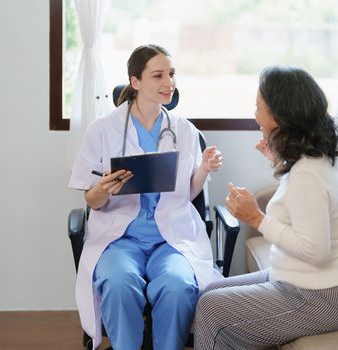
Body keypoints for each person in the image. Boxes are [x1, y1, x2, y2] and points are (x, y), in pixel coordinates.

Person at [194, 66, 338, 350]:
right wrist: (278, 161)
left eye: (259, 107)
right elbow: (301, 204)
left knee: (212, 308)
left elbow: (316, 252)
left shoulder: (307, 173)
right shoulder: (311, 158)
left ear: (281, 116)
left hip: (323, 295)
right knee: (210, 291)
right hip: (300, 281)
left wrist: (256, 218)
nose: (255, 115)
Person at [68, 44, 223, 350]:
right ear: (135, 82)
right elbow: (91, 200)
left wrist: (204, 169)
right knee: (118, 283)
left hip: (171, 238)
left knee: (178, 286)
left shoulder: (185, 130)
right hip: (119, 237)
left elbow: (187, 194)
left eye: (172, 74)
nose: (169, 83)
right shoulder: (102, 130)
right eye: (158, 75)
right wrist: (104, 188)